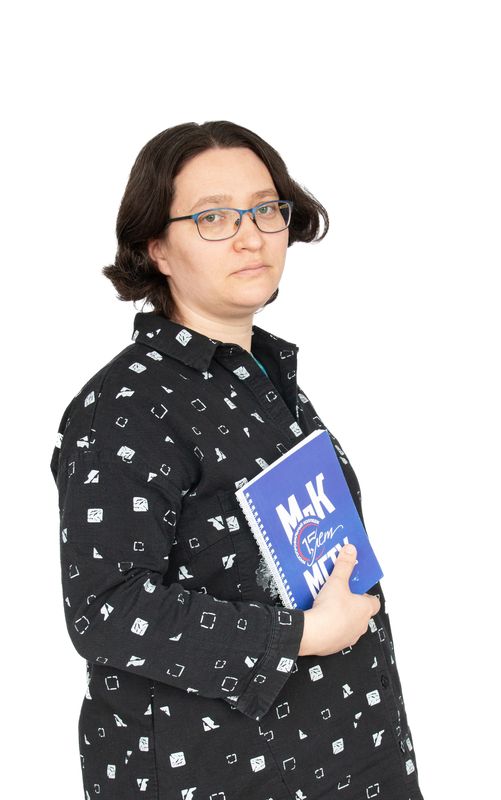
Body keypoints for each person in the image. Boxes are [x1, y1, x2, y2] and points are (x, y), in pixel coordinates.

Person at [50, 120, 424, 800]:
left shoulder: (267, 376)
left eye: (264, 209)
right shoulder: (126, 406)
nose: (251, 237)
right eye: (213, 217)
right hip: (216, 770)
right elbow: (105, 609)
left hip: (348, 755)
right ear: (156, 247)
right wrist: (301, 634)